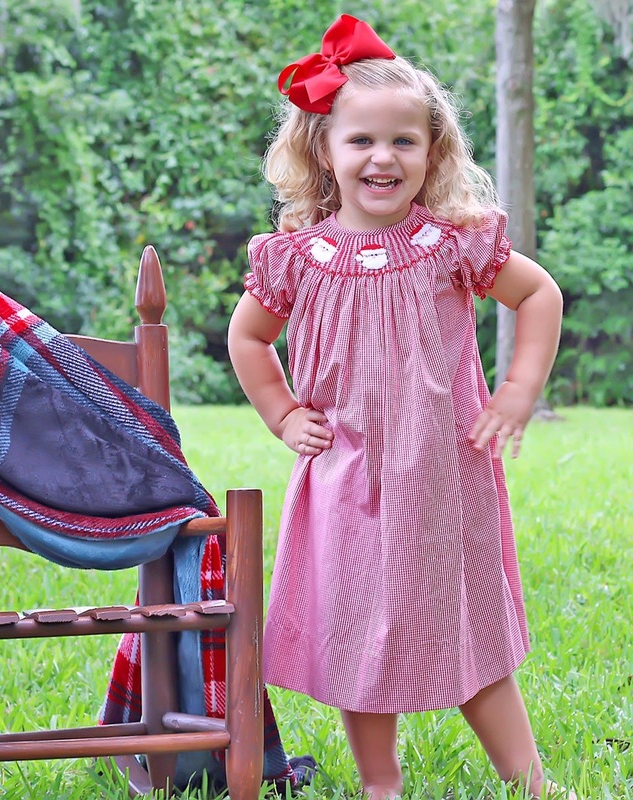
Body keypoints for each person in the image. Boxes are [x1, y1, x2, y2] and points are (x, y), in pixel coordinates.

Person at [227, 14, 570, 800]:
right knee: (356, 638)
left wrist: (518, 392)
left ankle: (532, 784)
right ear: (324, 150)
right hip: (345, 480)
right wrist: (282, 414)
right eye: (361, 141)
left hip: (444, 477)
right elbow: (249, 340)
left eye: (404, 142)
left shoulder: (451, 244)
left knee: (468, 630)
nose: (383, 157)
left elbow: (539, 294)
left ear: (433, 152)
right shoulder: (295, 258)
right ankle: (381, 784)